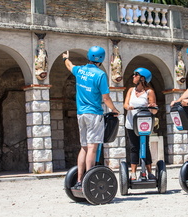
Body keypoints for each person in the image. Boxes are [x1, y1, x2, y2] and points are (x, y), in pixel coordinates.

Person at [63, 46, 120, 189]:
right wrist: (114, 109)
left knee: (84, 147)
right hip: (94, 114)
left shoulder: (80, 70)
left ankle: (80, 180)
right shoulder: (100, 75)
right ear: (101, 59)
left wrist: (65, 57)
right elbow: (105, 98)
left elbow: (69, 65)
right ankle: (89, 181)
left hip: (80, 114)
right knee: (93, 147)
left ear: (88, 56)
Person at [124, 67, 157, 180]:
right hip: (131, 123)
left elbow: (154, 108)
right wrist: (128, 107)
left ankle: (149, 172)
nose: (133, 76)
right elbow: (125, 104)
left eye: (135, 75)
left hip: (144, 124)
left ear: (142, 78)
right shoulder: (130, 91)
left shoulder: (149, 92)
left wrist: (152, 107)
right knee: (134, 147)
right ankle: (133, 173)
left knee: (144, 146)